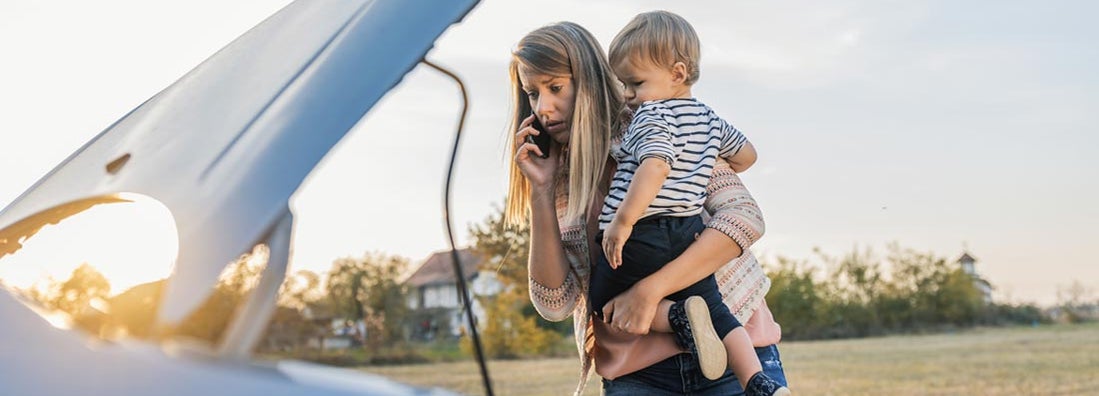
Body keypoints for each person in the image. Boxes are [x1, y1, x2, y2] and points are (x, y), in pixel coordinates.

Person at [505, 21, 787, 395]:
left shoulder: (659, 121)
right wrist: (540, 190)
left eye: (555, 87)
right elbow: (555, 303)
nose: (543, 107)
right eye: (532, 93)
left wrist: (650, 293)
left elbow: (743, 217)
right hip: (638, 377)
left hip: (735, 353)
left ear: (588, 81)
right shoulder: (560, 182)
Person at [587, 10, 788, 395]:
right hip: (690, 230)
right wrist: (704, 161)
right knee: (716, 309)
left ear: (677, 73)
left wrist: (623, 222)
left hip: (645, 233)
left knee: (603, 299)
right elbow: (747, 155)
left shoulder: (651, 116)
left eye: (636, 83)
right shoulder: (710, 119)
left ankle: (676, 316)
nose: (629, 95)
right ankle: (759, 383)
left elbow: (655, 166)